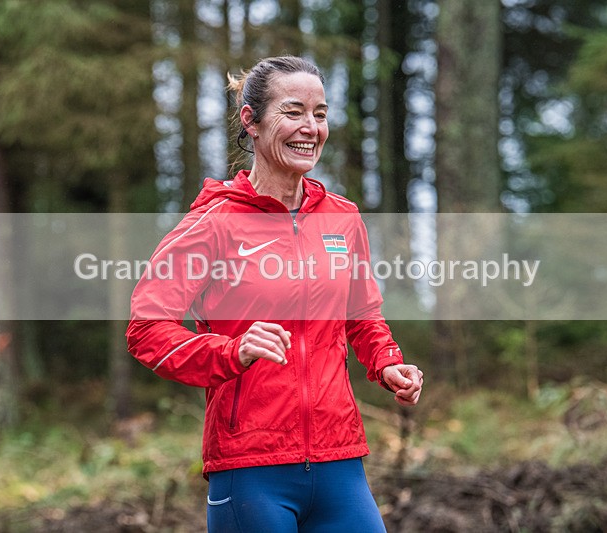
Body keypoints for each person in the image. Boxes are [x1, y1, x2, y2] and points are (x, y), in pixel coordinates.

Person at [126, 55, 423, 533]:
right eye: (293, 111)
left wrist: (386, 361)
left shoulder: (341, 219)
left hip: (339, 460)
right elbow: (147, 332)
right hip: (251, 468)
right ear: (252, 121)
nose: (311, 127)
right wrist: (230, 351)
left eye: (320, 114)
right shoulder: (213, 223)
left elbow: (362, 314)